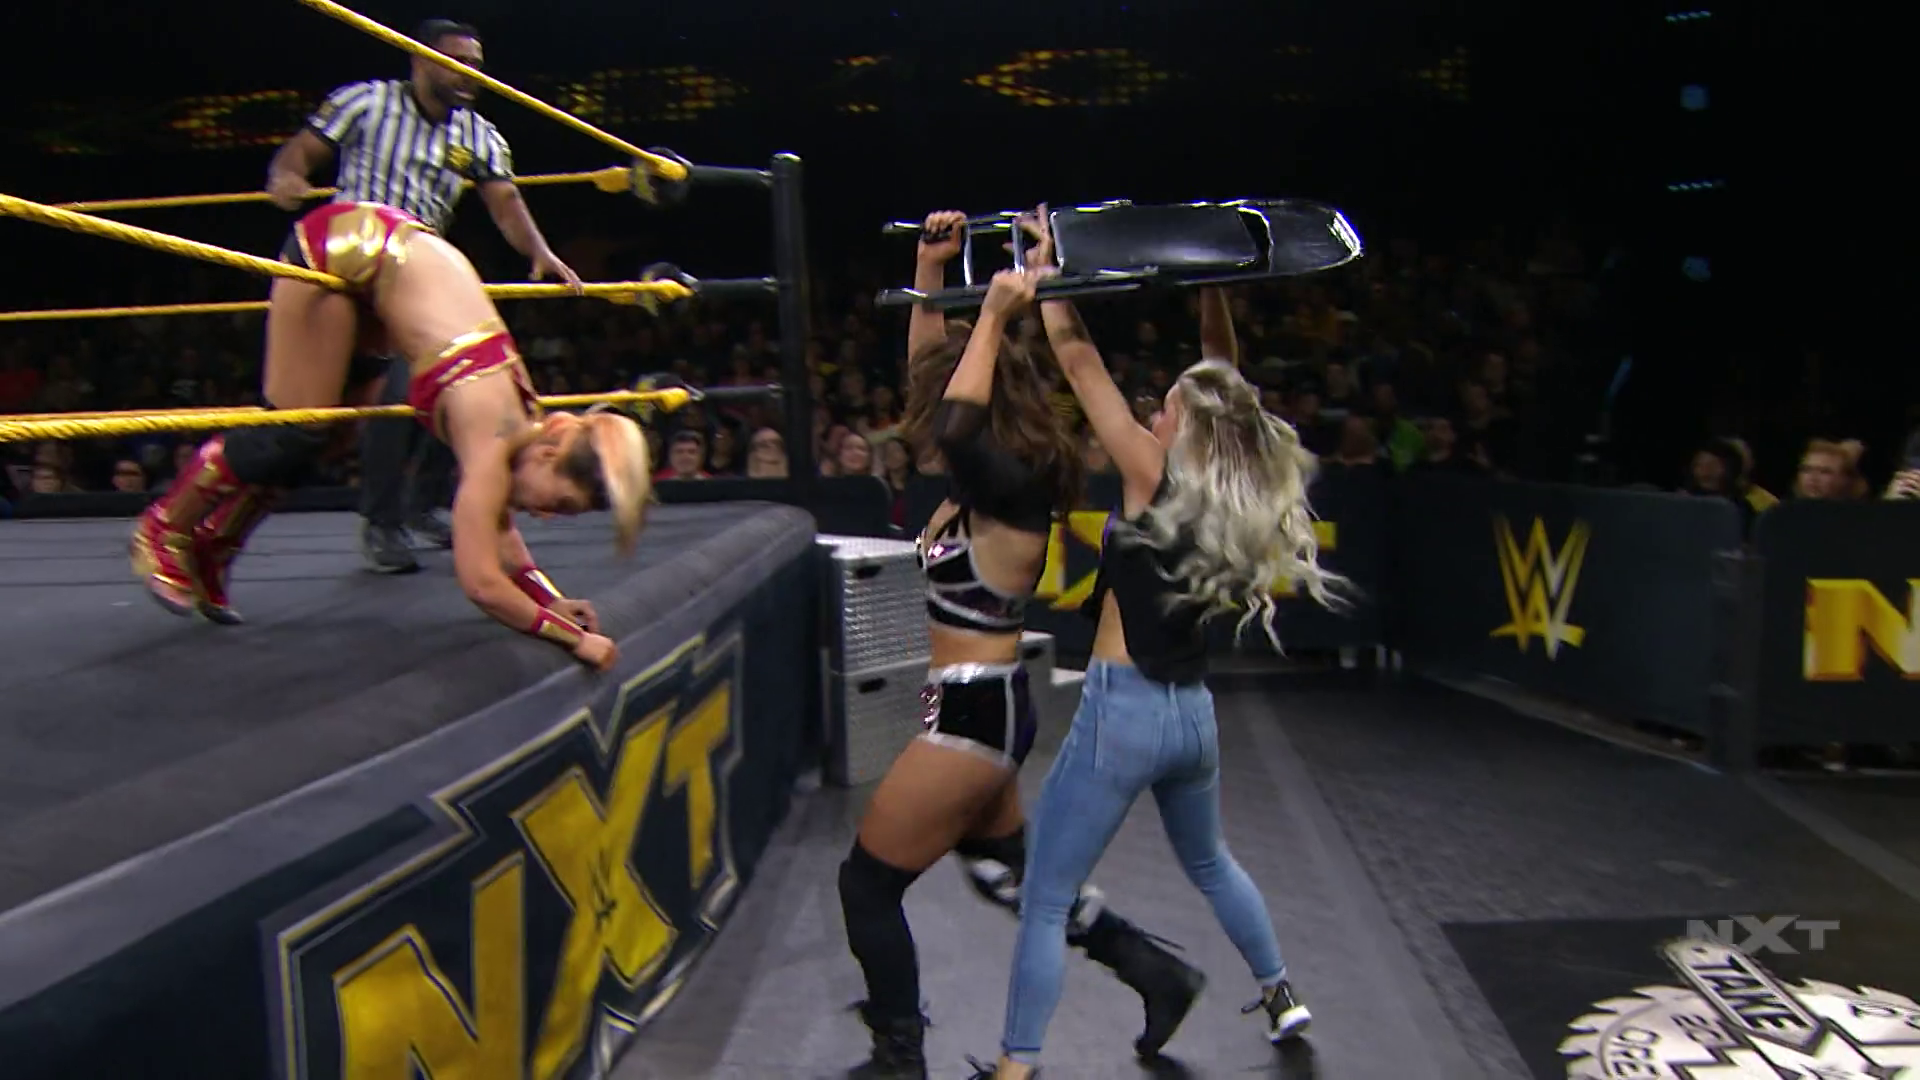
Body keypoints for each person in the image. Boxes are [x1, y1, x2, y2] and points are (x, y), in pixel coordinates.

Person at [127, 41, 649, 668]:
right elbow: (483, 582)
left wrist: (552, 600)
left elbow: (501, 535)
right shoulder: (496, 431)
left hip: (387, 270)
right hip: (344, 247)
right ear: (548, 453)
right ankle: (165, 527)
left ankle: (216, 545)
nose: (544, 514)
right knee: (294, 429)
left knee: (331, 439)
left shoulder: (521, 427)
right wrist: (574, 639)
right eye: (559, 502)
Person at [839, 213, 1202, 1080]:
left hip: (973, 713)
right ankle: (1154, 971)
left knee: (867, 885)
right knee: (1005, 870)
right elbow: (934, 387)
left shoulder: (1012, 485)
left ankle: (899, 1054)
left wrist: (999, 314)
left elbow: (955, 420)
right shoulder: (983, 476)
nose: (932, 407)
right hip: (985, 707)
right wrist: (932, 269)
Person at [978, 213, 1340, 1079]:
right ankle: (1280, 991)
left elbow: (1079, 364)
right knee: (1211, 861)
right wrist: (1215, 280)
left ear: (1182, 428)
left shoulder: (1152, 472)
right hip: (1192, 719)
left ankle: (1016, 1066)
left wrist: (1051, 274)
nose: (1154, 409)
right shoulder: (1227, 483)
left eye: (1166, 406)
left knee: (1046, 898)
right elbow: (1225, 378)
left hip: (1123, 715)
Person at [281, 18, 581, 572]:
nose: (470, 76)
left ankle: (421, 506)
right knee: (379, 402)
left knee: (468, 381)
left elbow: (505, 203)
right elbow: (298, 154)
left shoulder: (480, 135)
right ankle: (381, 523)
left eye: (477, 66)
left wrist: (540, 252)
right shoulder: (366, 103)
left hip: (418, 277)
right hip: (349, 265)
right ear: (420, 59)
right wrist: (289, 180)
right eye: (457, 63)